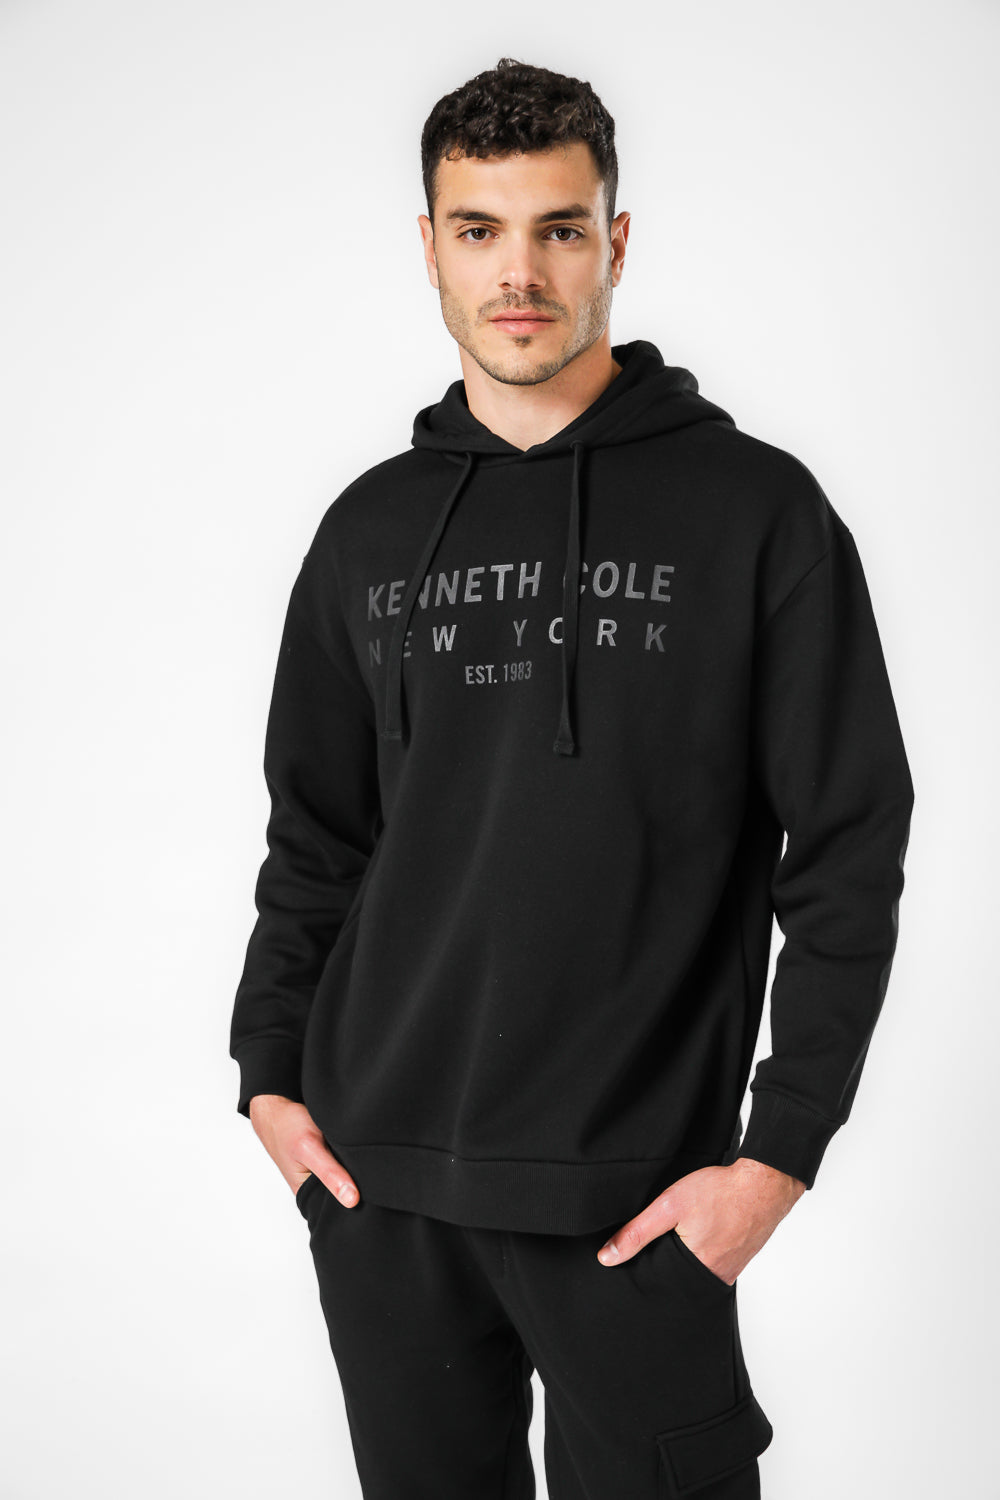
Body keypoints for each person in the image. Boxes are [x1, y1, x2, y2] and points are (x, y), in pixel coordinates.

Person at [230, 56, 914, 1500]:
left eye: (559, 228)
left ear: (617, 241)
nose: (520, 273)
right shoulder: (367, 531)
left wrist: (776, 1160)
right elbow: (317, 838)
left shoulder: (757, 514)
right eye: (479, 230)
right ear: (430, 246)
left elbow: (850, 845)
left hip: (637, 1202)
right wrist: (270, 1078)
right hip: (381, 1185)